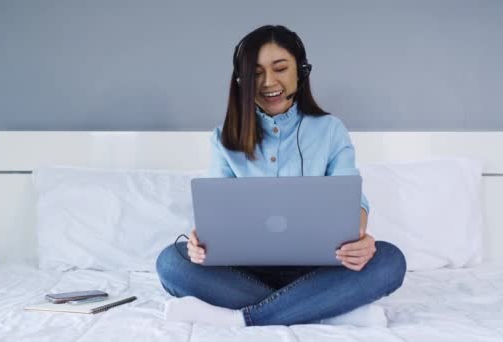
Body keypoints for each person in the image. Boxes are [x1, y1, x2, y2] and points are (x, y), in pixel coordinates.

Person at [155, 25, 406, 327]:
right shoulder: (223, 139)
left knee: (390, 260)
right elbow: (217, 209)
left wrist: (360, 241)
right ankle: (328, 308)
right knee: (172, 262)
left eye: (280, 68)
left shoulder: (330, 130)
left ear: (301, 71)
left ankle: (243, 318)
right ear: (242, 81)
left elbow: (354, 201)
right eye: (256, 73)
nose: (268, 82)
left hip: (319, 268)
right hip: (245, 271)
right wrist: (200, 242)